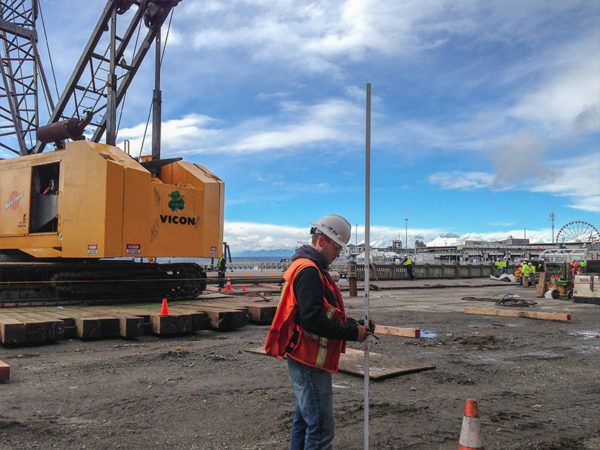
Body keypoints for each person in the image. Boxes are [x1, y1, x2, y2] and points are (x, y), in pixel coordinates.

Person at [264, 214, 374, 449]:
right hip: (308, 359)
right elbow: (313, 320)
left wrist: (354, 325)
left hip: (303, 356)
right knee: (321, 429)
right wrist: (352, 334)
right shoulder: (309, 271)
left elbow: (325, 312)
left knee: (304, 421)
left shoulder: (308, 267)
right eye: (337, 247)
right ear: (322, 241)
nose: (338, 255)